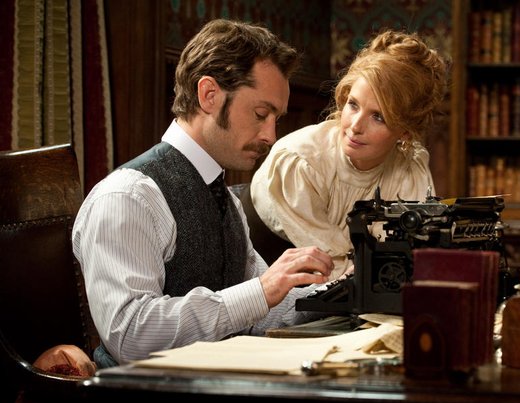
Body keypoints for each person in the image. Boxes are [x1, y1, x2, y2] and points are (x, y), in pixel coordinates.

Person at [72, 19, 334, 368]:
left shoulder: (226, 202)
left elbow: (262, 310)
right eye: (260, 114)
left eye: (276, 119)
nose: (271, 136)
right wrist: (261, 291)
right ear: (209, 94)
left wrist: (345, 293)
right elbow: (131, 336)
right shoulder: (127, 197)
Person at [247, 29, 448, 280]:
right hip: (264, 286)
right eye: (353, 105)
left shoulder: (409, 170)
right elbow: (330, 270)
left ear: (405, 132)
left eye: (378, 117)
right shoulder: (300, 162)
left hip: (355, 290)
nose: (355, 126)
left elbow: (410, 255)